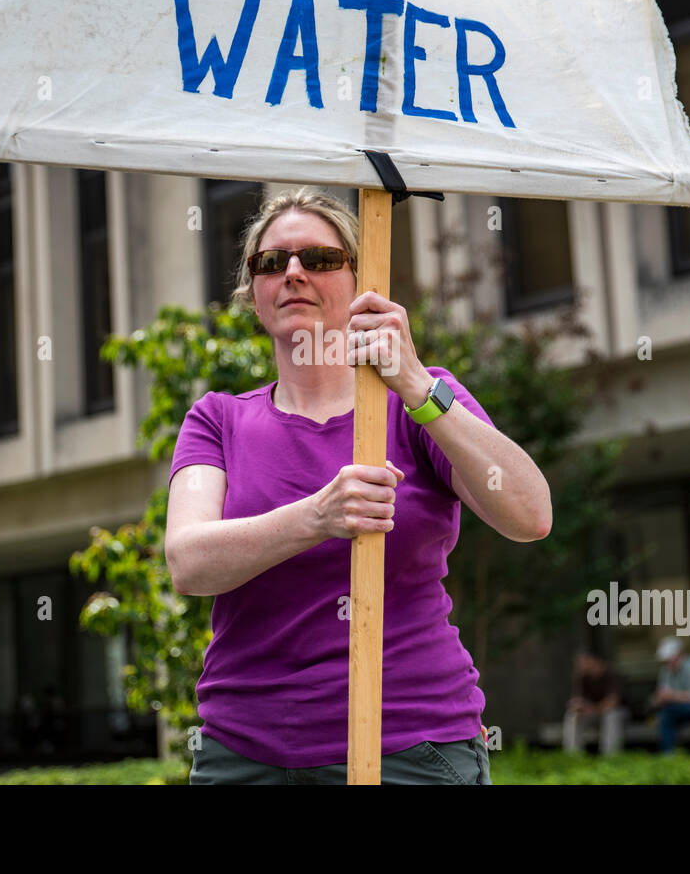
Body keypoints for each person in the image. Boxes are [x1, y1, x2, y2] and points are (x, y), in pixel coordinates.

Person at [166, 187, 553, 784]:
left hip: (410, 745)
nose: (292, 273)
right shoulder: (218, 419)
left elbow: (529, 514)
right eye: (271, 263)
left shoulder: (418, 402)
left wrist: (418, 384)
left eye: (317, 259)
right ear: (254, 293)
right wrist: (316, 518)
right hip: (244, 755)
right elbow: (189, 563)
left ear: (361, 280)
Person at [562, 651, 626, 754]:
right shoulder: (582, 677)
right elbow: (576, 701)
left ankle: (610, 755)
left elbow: (613, 702)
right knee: (572, 715)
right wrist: (578, 706)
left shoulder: (612, 674)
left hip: (619, 712)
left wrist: (593, 709)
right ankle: (572, 754)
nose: (579, 666)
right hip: (593, 714)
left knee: (611, 714)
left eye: (582, 662)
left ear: (593, 661)